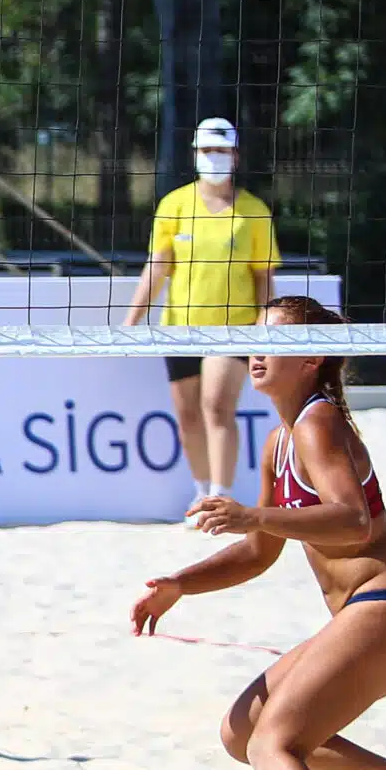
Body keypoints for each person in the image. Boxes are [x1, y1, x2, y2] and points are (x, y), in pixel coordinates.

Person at [131, 295, 386, 770]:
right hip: (367, 618)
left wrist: (253, 514)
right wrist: (180, 584)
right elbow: (259, 552)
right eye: (255, 339)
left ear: (311, 358)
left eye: (273, 342)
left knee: (273, 742)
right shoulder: (279, 441)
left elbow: (353, 521)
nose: (256, 353)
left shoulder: (318, 422)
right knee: (241, 732)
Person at [123, 116, 281, 512]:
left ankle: (220, 496)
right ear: (194, 154)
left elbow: (263, 276)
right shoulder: (174, 204)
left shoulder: (253, 211)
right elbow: (157, 267)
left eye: (222, 150)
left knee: (217, 407)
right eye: (207, 150)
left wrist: (266, 326)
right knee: (188, 416)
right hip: (180, 328)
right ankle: (201, 491)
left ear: (236, 156)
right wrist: (131, 321)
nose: (214, 157)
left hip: (233, 327)